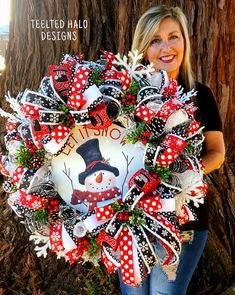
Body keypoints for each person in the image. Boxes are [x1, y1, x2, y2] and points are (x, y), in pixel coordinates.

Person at [118, 5, 225, 295]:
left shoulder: (200, 94)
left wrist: (181, 177)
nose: (166, 47)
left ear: (185, 42)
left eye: (173, 36)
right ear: (143, 48)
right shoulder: (123, 98)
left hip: (185, 222)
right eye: (155, 40)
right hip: (132, 221)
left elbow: (217, 151)